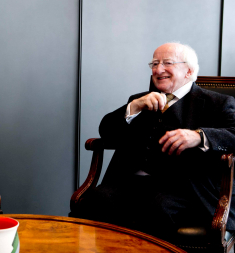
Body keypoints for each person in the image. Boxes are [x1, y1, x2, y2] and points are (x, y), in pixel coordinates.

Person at [82, 42, 235, 240]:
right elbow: (106, 132)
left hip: (184, 187)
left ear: (188, 71)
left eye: (166, 63)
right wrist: (132, 108)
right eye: (154, 64)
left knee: (158, 207)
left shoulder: (217, 103)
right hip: (131, 183)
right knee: (95, 199)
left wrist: (200, 136)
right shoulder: (140, 99)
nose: (158, 69)